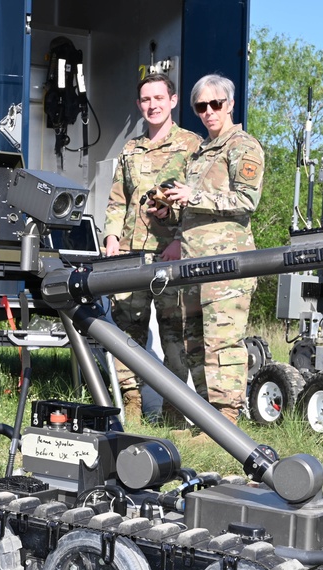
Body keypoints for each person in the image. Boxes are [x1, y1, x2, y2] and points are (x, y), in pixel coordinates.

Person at [163, 73, 264, 431]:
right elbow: (194, 208)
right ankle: (207, 419)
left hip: (227, 265)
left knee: (223, 342)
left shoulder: (243, 147)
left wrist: (195, 197)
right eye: (201, 107)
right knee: (194, 342)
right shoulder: (201, 152)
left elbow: (246, 200)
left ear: (230, 104)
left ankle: (226, 420)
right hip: (194, 263)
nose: (208, 112)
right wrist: (171, 206)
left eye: (215, 104)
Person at [103, 72, 202, 424]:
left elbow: (198, 203)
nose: (152, 105)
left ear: (173, 101)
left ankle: (176, 411)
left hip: (169, 255)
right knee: (126, 330)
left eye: (159, 98)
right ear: (139, 105)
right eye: (146, 100)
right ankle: (132, 405)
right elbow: (117, 199)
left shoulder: (193, 146)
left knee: (176, 332)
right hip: (130, 254)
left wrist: (178, 239)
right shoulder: (130, 150)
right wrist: (112, 237)